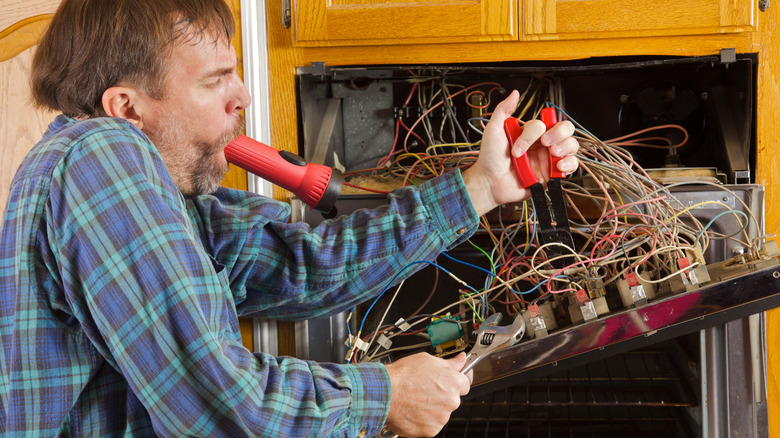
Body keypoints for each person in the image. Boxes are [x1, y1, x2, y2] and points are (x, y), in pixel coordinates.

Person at [0, 0, 579, 437]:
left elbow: (302, 264)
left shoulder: (163, 195)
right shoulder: (101, 157)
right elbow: (214, 399)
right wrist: (384, 397)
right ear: (126, 107)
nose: (244, 96)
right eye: (213, 81)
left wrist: (480, 188)